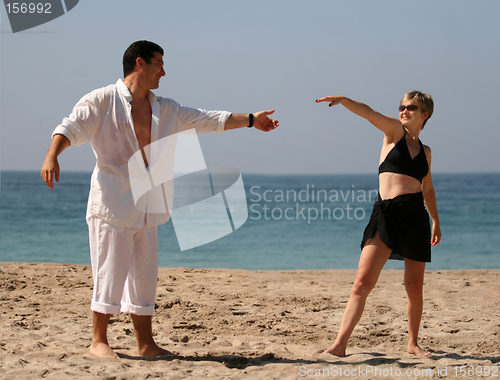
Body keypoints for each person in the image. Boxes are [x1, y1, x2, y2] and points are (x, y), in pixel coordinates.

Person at [40, 40, 279, 358]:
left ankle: (145, 344)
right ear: (140, 63)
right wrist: (51, 156)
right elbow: (70, 126)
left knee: (144, 275)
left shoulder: (166, 109)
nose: (163, 72)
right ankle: (99, 341)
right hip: (111, 204)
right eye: (159, 64)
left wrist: (251, 119)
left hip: (149, 205)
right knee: (108, 273)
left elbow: (208, 119)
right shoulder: (102, 100)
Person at [316, 91, 441, 358]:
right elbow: (369, 112)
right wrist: (345, 101)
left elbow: (427, 189)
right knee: (362, 283)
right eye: (402, 106)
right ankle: (339, 344)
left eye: (412, 108)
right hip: (385, 215)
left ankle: (413, 344)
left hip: (415, 218)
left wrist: (435, 221)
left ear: (425, 114)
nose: (404, 111)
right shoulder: (394, 132)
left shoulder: (426, 152)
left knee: (414, 287)